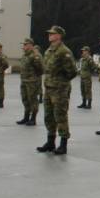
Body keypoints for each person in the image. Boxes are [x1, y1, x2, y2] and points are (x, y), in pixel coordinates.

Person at [38, 25, 76, 155]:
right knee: (49, 116)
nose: (49, 35)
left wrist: (61, 82)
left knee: (60, 116)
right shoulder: (49, 50)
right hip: (48, 88)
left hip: (59, 90)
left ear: (59, 36)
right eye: (49, 33)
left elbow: (72, 71)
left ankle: (63, 144)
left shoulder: (64, 52)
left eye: (52, 33)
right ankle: (50, 142)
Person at [16, 38, 44, 125]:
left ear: (30, 45)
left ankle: (33, 119)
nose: (23, 46)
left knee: (32, 100)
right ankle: (26, 117)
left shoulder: (35, 55)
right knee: (25, 99)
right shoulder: (25, 55)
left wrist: (34, 77)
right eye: (23, 45)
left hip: (32, 82)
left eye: (25, 44)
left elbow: (41, 69)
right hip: (24, 81)